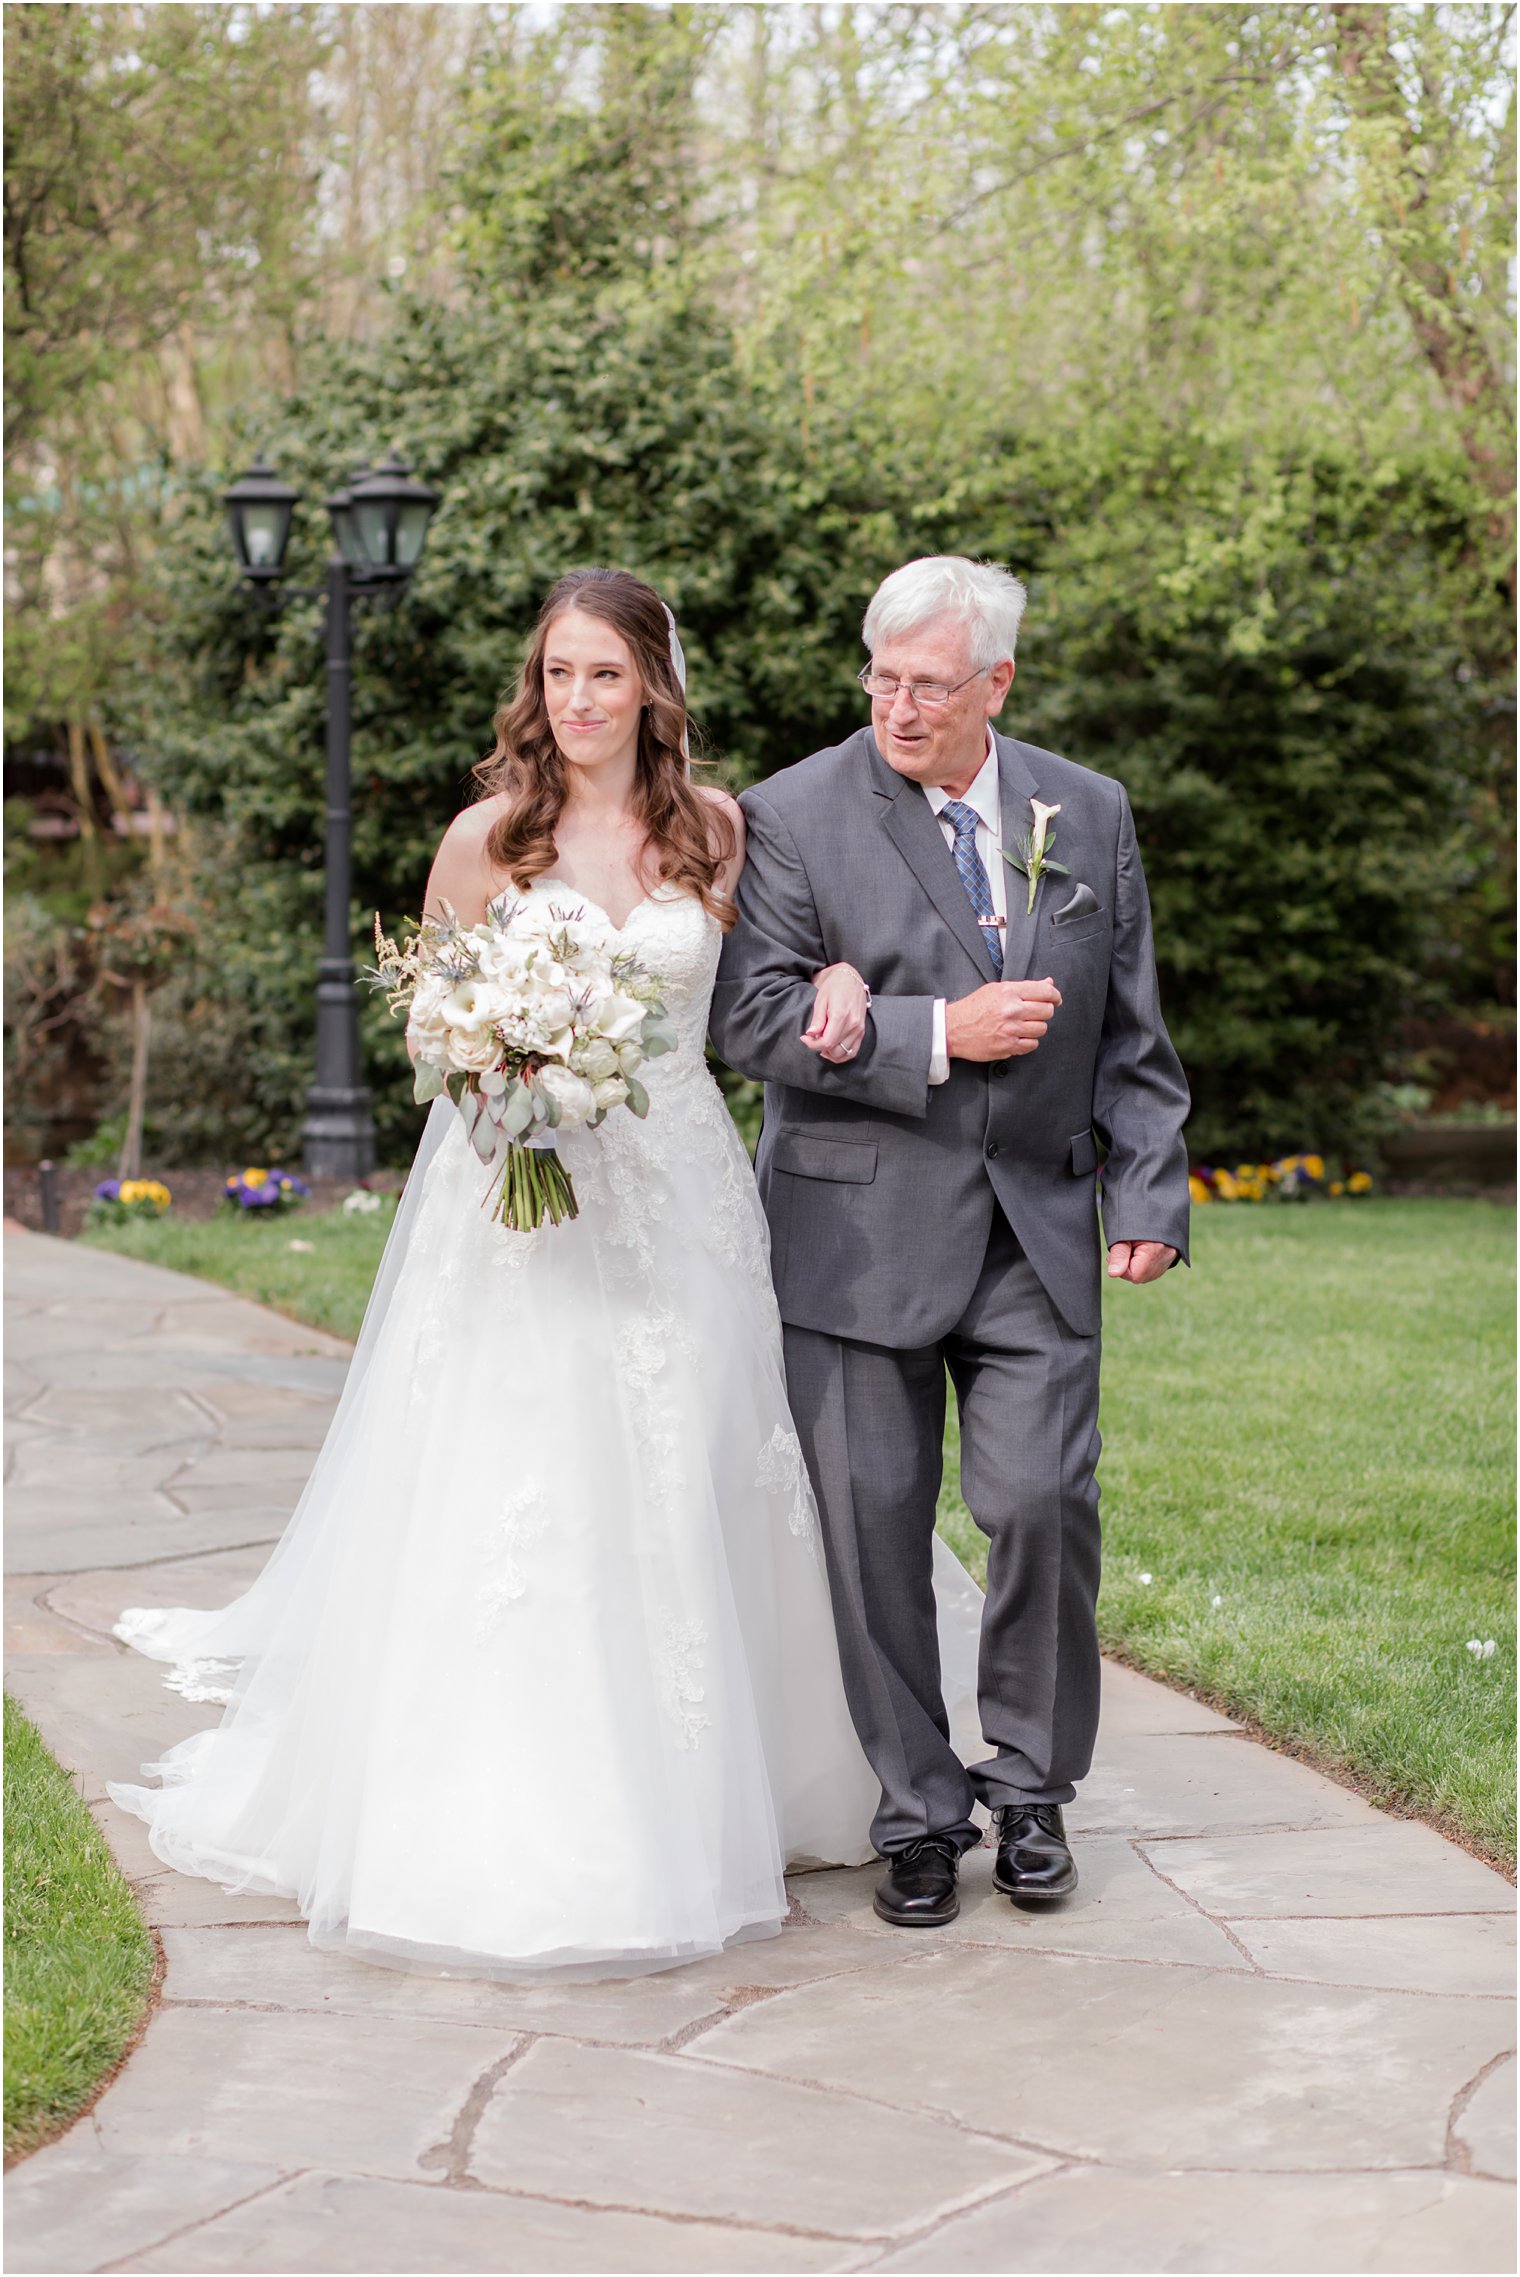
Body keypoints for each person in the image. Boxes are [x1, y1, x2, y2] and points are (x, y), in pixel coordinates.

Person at [108, 567, 980, 1981]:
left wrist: (838, 987)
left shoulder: (719, 831)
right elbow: (430, 1029)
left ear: (652, 688)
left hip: (682, 1201)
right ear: (542, 687)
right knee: (531, 1477)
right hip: (516, 1208)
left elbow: (777, 982)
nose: (579, 699)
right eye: (560, 673)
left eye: (606, 675)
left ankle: (749, 1773)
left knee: (695, 1454)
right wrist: (505, 1077)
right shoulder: (483, 840)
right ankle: (535, 1806)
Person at [710, 555, 1191, 1930]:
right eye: (883, 677)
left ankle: (1033, 1793)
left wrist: (1148, 1190)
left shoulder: (1083, 811)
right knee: (870, 1537)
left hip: (1036, 1229)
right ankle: (919, 1809)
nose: (900, 707)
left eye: (929, 683)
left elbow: (1132, 1033)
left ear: (998, 683)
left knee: (1044, 1506)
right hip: (853, 1237)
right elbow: (748, 1019)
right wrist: (932, 1034)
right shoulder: (794, 813)